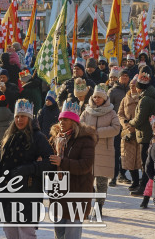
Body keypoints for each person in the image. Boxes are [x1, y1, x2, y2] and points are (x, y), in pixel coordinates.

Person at [0, 99, 54, 238]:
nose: (19, 120)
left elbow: (50, 162)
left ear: (29, 118)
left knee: (26, 231)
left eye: (23, 117)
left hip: (28, 190)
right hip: (8, 190)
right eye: (17, 116)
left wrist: (30, 168)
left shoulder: (38, 137)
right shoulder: (9, 136)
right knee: (9, 230)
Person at [49, 100, 97, 239]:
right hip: (58, 192)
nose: (62, 122)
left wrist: (62, 162)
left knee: (72, 234)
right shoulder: (55, 139)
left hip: (77, 192)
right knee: (59, 233)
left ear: (74, 122)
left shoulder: (85, 140)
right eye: (61, 119)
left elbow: (86, 165)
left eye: (66, 119)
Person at [79, 82, 120, 216]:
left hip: (104, 151)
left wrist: (97, 132)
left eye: (100, 97)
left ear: (105, 98)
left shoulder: (111, 112)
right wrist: (88, 132)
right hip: (88, 150)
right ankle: (88, 204)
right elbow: (80, 126)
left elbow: (116, 128)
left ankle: (99, 206)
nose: (97, 99)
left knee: (102, 182)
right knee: (87, 180)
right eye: (95, 97)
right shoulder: (86, 111)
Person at [127, 71, 155, 196]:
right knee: (148, 162)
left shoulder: (145, 99)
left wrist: (130, 122)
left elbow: (140, 118)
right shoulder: (151, 96)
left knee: (145, 163)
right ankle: (146, 186)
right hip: (149, 133)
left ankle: (144, 188)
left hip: (146, 134)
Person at [118, 77, 142, 189]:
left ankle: (141, 182)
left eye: (135, 85)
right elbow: (120, 114)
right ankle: (135, 181)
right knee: (129, 158)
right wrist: (125, 124)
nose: (132, 87)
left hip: (139, 132)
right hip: (127, 132)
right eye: (131, 85)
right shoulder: (125, 99)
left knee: (139, 159)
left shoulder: (142, 98)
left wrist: (135, 124)